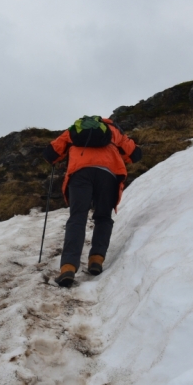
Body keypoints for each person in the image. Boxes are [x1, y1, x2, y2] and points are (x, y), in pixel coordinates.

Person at [42, 116, 142, 287]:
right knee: (103, 217)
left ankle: (68, 268)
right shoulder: (113, 130)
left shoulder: (75, 130)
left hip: (80, 174)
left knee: (77, 218)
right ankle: (96, 259)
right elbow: (135, 154)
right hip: (108, 175)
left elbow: (51, 153)